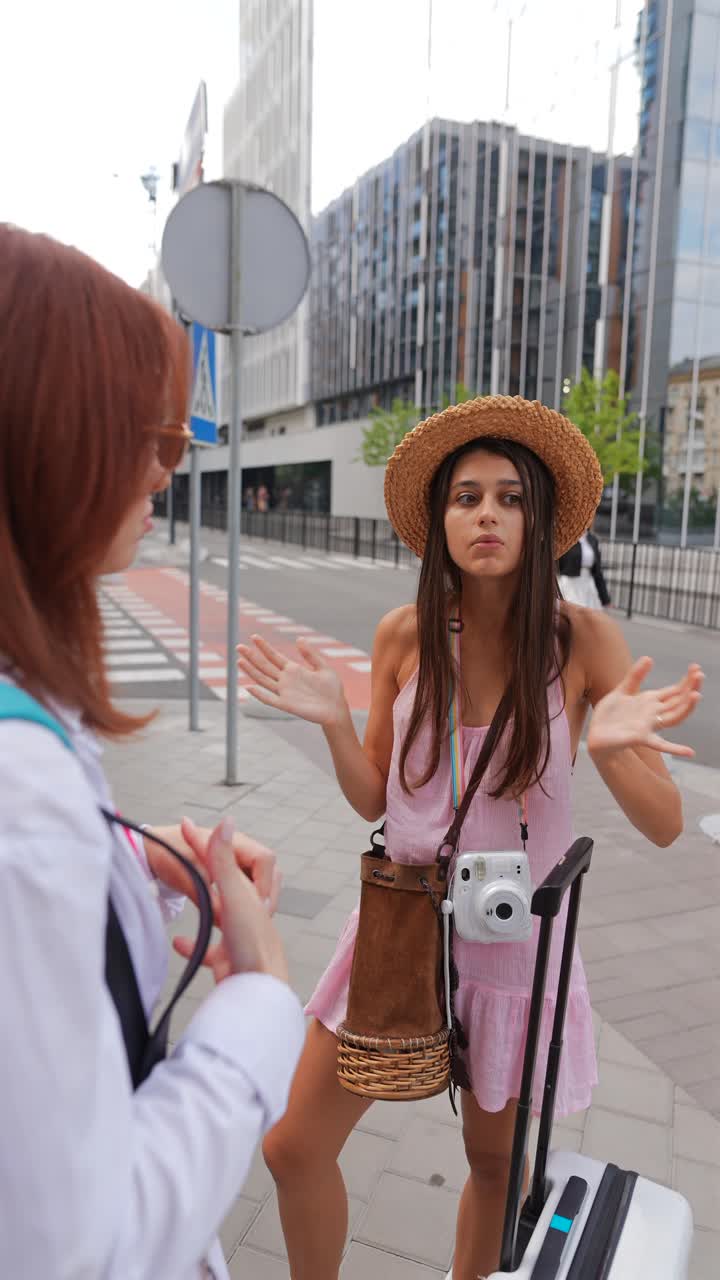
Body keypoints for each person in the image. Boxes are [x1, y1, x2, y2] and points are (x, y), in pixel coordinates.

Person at [237, 395, 702, 1280]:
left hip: (515, 951)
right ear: (440, 520)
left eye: (509, 498)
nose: (486, 515)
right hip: (401, 929)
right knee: (294, 1148)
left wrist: (606, 751)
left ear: (539, 519)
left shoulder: (583, 643)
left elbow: (670, 826)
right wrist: (337, 723)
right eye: (466, 498)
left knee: (495, 1168)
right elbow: (375, 794)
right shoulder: (405, 635)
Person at [0, 224, 305, 1280]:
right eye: (153, 438)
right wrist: (263, 996)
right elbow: (81, 1246)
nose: (165, 473)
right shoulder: (21, 793)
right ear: (54, 436)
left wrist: (125, 868)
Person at [557, 523, 611, 609]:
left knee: (590, 614)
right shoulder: (567, 539)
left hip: (587, 582)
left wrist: (605, 599)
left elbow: (598, 571)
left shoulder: (593, 540)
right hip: (570, 582)